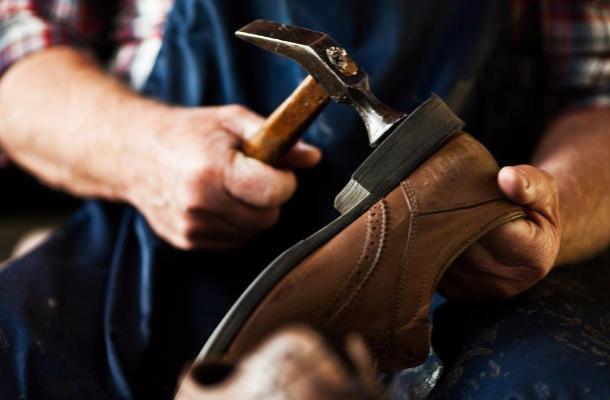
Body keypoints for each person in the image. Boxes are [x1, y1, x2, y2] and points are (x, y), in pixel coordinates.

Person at [0, 1, 608, 399]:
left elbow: (598, 94)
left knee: (556, 383)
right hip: (148, 226)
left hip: (464, 259)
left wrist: (551, 208)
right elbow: (17, 51)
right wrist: (145, 153)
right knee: (16, 350)